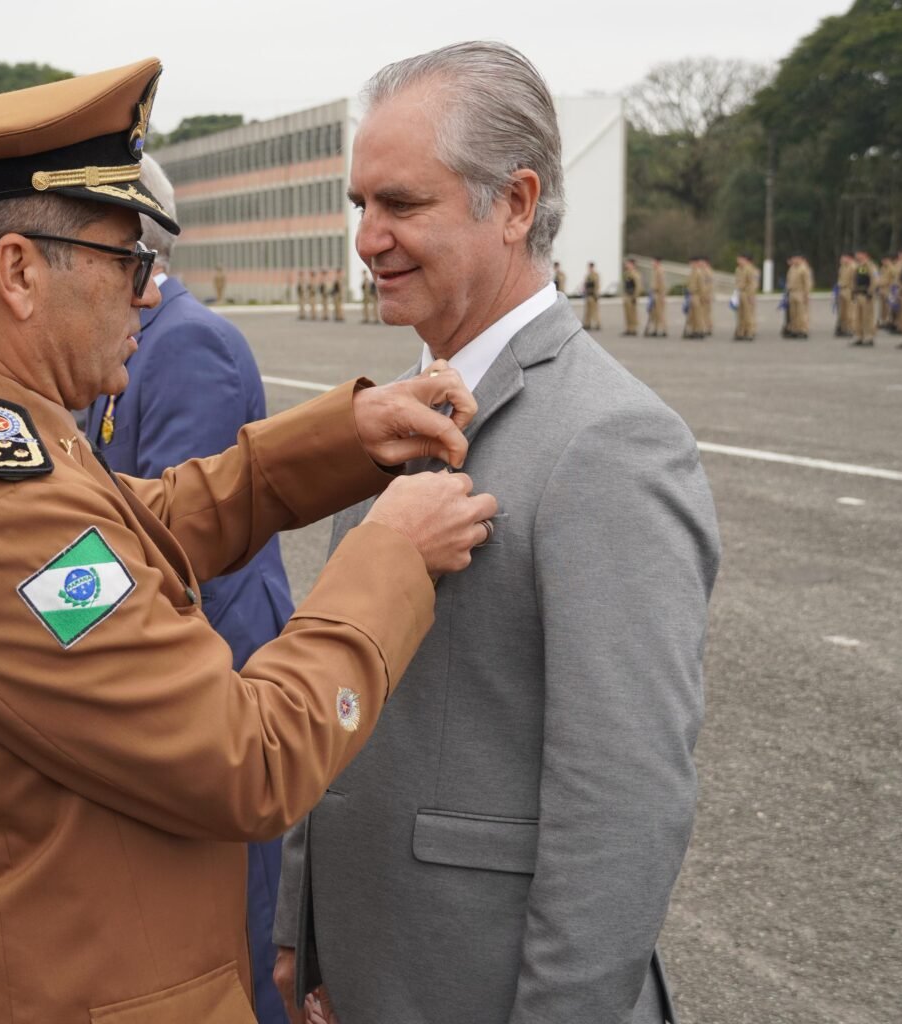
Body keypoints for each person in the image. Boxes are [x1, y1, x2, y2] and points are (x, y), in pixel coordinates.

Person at [0, 58, 499, 1023]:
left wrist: (334, 441)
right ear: (20, 272)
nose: (148, 296)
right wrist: (389, 558)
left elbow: (132, 526)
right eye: (128, 263)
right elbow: (247, 759)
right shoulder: (1, 512)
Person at [273, 42, 720, 1024]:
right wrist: (302, 917)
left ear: (514, 203)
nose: (368, 237)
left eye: (401, 204)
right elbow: (361, 694)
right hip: (369, 969)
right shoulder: (401, 410)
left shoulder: (610, 439)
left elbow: (626, 802)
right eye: (359, 206)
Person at [83, 154, 295, 1024]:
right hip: (174, 656)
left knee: (237, 929)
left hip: (224, 660)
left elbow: (186, 540)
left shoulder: (187, 341)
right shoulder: (136, 336)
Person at [851, 249, 877, 346]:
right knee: (858, 317)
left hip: (866, 294)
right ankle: (859, 336)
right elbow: (854, 280)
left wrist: (870, 292)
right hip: (858, 294)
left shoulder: (870, 266)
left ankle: (868, 336)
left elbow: (874, 280)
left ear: (864, 255)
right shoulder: (858, 266)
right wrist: (853, 291)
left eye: (859, 254)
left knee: (867, 317)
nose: (857, 256)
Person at [786, 254, 812, 339]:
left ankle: (803, 330)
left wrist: (806, 294)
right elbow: (789, 280)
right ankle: (795, 329)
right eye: (793, 258)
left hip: (800, 292)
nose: (793, 260)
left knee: (801, 313)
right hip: (792, 292)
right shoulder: (792, 268)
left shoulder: (804, 269)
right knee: (793, 313)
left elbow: (807, 283)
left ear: (800, 258)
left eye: (795, 258)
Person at [734, 253, 759, 341]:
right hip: (740, 292)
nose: (738, 261)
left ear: (745, 259)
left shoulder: (750, 269)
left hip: (747, 293)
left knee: (748, 314)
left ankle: (749, 332)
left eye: (740, 259)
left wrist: (751, 295)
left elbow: (753, 283)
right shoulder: (739, 269)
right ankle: (741, 332)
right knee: (741, 314)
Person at [645, 257, 668, 337]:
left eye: (653, 262)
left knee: (660, 313)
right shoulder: (655, 271)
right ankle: (655, 329)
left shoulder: (660, 271)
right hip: (654, 294)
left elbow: (662, 285)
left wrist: (662, 297)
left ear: (657, 262)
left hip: (659, 295)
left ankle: (663, 330)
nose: (652, 263)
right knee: (654, 313)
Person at [835, 253, 855, 337]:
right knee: (842, 312)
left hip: (849, 290)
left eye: (843, 258)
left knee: (849, 311)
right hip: (842, 289)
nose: (841, 260)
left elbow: (854, 280)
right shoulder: (842, 267)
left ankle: (850, 328)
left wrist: (854, 291)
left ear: (848, 258)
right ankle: (842, 328)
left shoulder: (853, 267)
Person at [620, 258, 640, 335]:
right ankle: (628, 328)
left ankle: (633, 329)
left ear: (632, 264)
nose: (626, 265)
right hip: (627, 296)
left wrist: (635, 297)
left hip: (631, 296)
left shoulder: (635, 274)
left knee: (632, 314)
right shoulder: (627, 273)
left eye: (628, 264)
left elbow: (638, 286)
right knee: (627, 313)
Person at [581, 261, 600, 330]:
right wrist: (583, 291)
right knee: (587, 311)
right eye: (588, 267)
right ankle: (587, 323)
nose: (589, 268)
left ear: (593, 267)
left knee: (594, 311)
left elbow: (597, 285)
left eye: (590, 267)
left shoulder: (595, 275)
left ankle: (597, 324)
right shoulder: (587, 275)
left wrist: (596, 295)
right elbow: (585, 285)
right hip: (588, 295)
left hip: (592, 295)